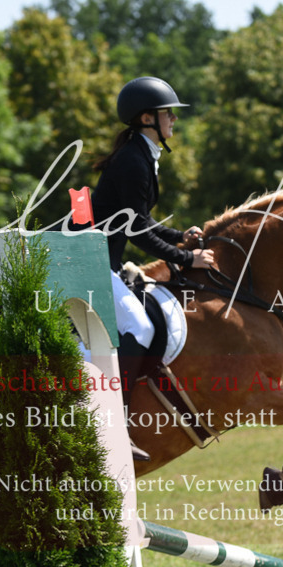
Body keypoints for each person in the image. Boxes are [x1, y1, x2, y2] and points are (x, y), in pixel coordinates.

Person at [90, 76, 215, 461]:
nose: (174, 120)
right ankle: (113, 422)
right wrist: (186, 258)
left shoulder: (139, 154)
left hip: (102, 257)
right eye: (168, 113)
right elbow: (137, 231)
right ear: (147, 118)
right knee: (141, 328)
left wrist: (179, 236)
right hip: (92, 262)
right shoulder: (133, 160)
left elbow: (141, 220)